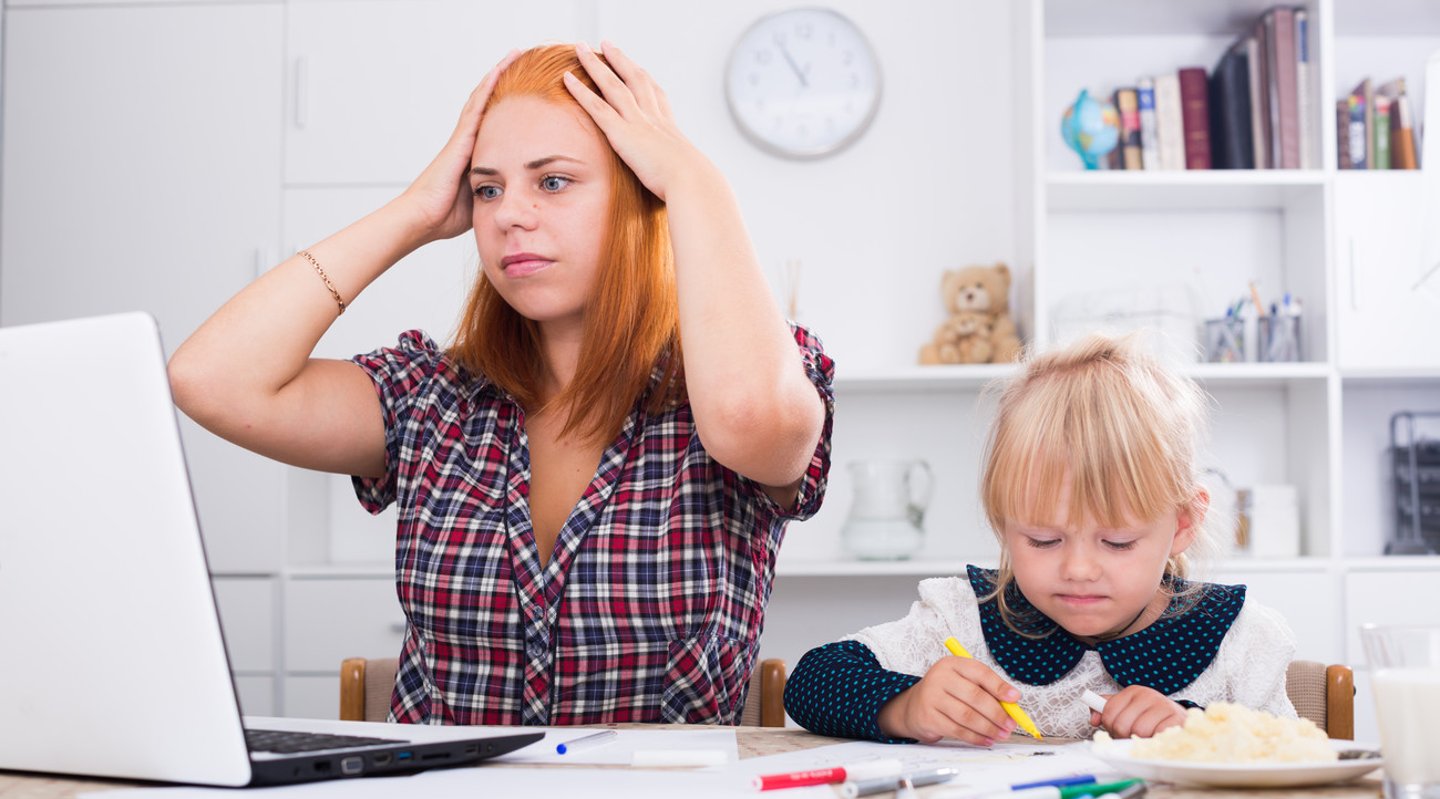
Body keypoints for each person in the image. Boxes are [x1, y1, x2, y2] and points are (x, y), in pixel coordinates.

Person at [168, 43, 833, 727]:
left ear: (642, 192)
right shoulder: (429, 397)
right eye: (488, 189)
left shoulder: (754, 375)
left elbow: (752, 416)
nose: (508, 214)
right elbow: (211, 380)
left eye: (552, 182)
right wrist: (415, 213)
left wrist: (696, 182)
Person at [783, 332, 1297, 744]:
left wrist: (1200, 735)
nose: (1077, 569)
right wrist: (906, 706)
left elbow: (1292, 753)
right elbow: (813, 680)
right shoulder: (961, 618)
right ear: (1004, 523)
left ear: (1183, 523)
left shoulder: (1240, 643)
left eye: (1117, 542)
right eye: (1044, 540)